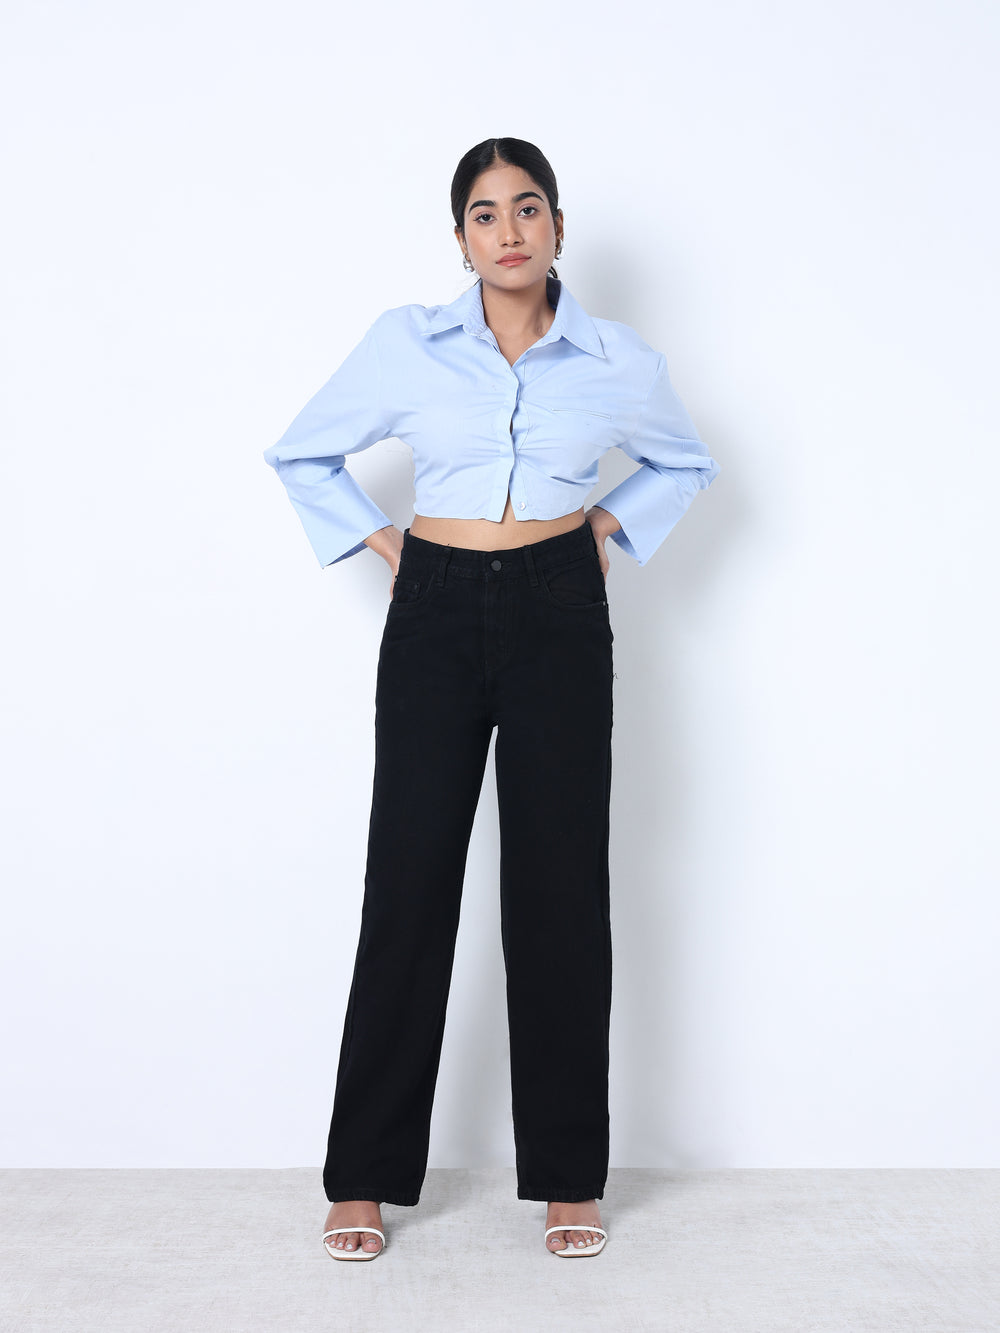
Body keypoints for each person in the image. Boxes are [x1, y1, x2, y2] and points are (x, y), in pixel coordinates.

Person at [263, 136, 720, 1261]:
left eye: (526, 208)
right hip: (434, 606)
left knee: (560, 888)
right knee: (408, 881)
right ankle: (363, 1177)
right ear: (460, 236)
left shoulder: (617, 360)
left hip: (560, 609)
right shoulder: (407, 344)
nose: (507, 230)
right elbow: (301, 454)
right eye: (484, 212)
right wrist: (389, 547)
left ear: (559, 226)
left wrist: (603, 529)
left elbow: (684, 461)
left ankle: (568, 1178)